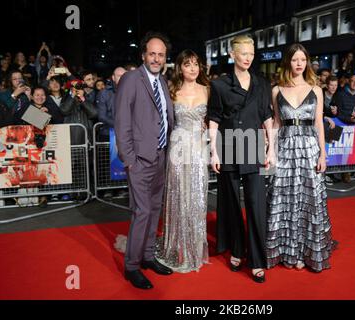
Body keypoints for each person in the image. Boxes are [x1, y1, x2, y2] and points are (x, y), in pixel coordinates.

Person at [208, 35, 275, 283]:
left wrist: (272, 149)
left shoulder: (262, 84)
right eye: (243, 53)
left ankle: (257, 260)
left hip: (254, 146)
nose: (248, 57)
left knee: (256, 204)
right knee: (232, 205)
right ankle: (237, 250)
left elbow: (267, 116)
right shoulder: (220, 85)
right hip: (227, 147)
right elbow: (214, 119)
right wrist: (214, 151)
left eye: (251, 53)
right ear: (232, 54)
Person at [266, 43, 336, 272]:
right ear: (288, 62)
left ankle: (306, 251)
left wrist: (323, 154)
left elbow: (318, 124)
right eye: (295, 60)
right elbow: (276, 123)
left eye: (303, 60)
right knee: (283, 197)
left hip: (308, 149)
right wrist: (271, 151)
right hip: (285, 149)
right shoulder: (277, 90)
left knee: (309, 199)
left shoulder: (316, 89)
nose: (299, 64)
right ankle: (288, 251)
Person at [114, 31, 175, 290]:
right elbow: (122, 121)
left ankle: (149, 256)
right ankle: (132, 266)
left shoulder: (161, 81)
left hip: (159, 156)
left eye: (161, 55)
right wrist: (130, 160)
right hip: (139, 160)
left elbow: (165, 117)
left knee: (154, 210)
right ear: (143, 55)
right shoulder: (131, 79)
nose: (156, 58)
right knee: (141, 213)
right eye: (152, 53)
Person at [156, 49, 210, 273]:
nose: (193, 68)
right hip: (177, 149)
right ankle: (177, 249)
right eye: (188, 64)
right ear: (180, 67)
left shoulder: (208, 89)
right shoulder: (171, 90)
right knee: (179, 197)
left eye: (196, 64)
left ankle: (195, 249)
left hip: (198, 150)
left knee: (197, 198)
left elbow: (212, 119)